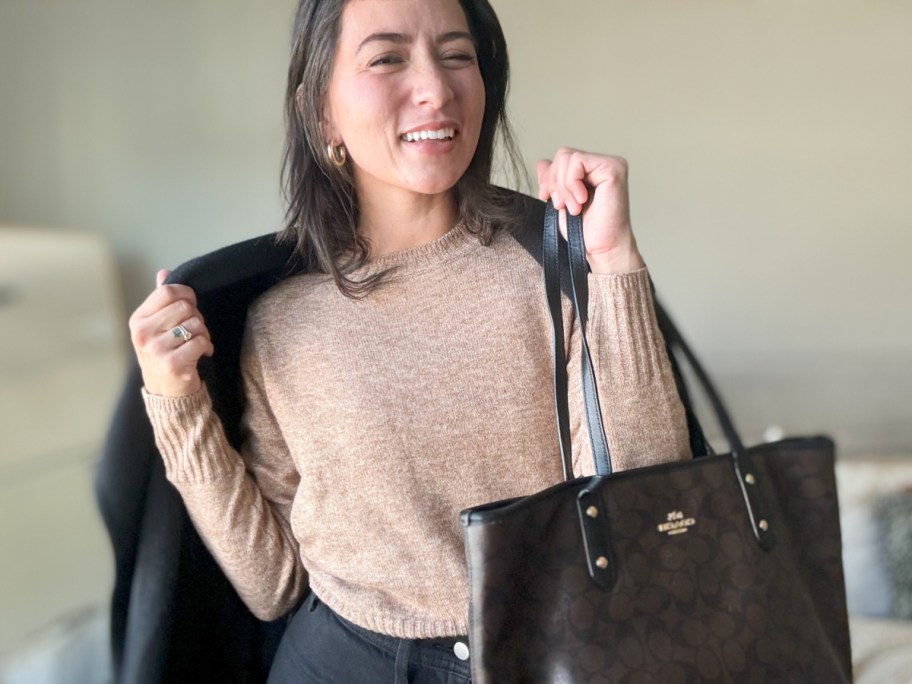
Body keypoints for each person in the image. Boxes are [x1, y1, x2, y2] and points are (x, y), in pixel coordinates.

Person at [127, 0, 692, 681]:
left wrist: (617, 264)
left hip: (548, 653)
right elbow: (272, 583)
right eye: (388, 58)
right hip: (339, 663)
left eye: (457, 55)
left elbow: (647, 508)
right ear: (321, 111)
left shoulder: (552, 270)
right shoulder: (279, 321)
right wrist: (176, 401)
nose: (436, 87)